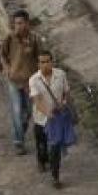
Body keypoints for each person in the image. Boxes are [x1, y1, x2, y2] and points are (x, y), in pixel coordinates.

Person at [29, 49, 73, 187]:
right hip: (41, 119)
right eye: (42, 62)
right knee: (42, 147)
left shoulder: (61, 75)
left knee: (55, 148)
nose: (46, 64)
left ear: (52, 62)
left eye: (48, 61)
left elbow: (67, 92)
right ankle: (41, 161)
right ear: (38, 64)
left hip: (57, 120)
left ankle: (55, 177)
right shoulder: (34, 80)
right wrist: (47, 113)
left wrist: (64, 103)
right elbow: (36, 101)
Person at [0, 9, 40, 155]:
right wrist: (7, 69)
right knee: (16, 112)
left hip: (30, 83)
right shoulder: (10, 38)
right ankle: (18, 142)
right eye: (16, 23)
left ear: (27, 23)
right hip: (14, 81)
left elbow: (41, 59)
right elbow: (3, 55)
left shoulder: (35, 39)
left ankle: (19, 132)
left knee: (28, 113)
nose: (18, 26)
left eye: (21, 23)